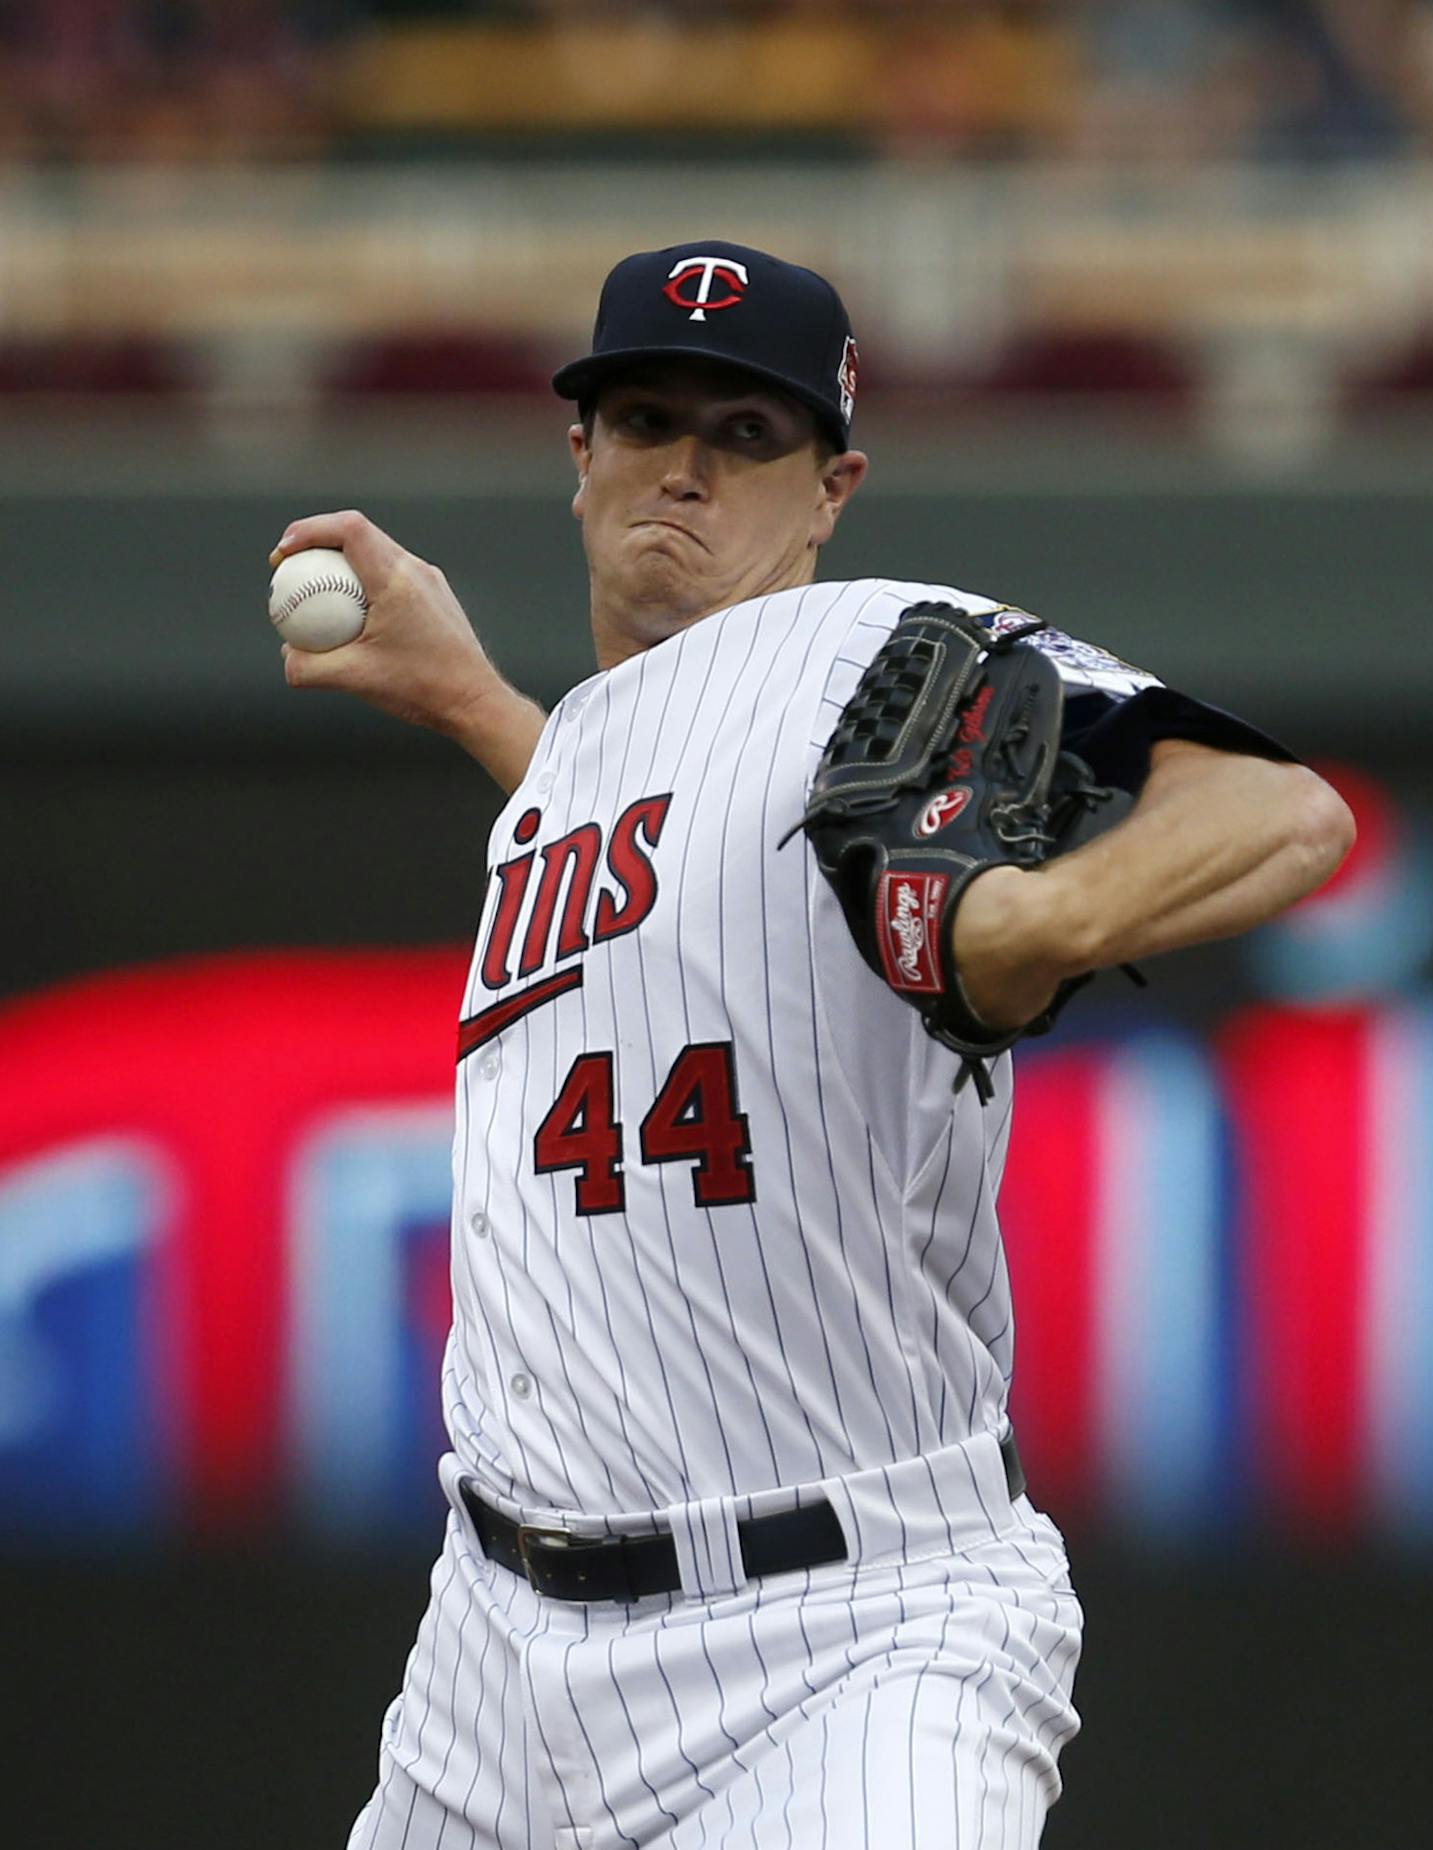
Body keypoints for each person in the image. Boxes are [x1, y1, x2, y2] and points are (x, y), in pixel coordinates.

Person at [274, 240, 1353, 1849]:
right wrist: (480, 708)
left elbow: (1284, 811)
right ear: (581, 456)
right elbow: (673, 890)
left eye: (748, 435)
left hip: (850, 1637)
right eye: (646, 420)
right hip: (492, 1656)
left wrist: (1037, 922)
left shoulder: (882, 648)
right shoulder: (575, 763)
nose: (688, 470)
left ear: (832, 484)